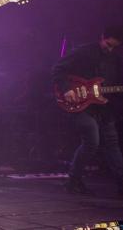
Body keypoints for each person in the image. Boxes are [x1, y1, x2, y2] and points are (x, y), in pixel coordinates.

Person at [52, 26, 123, 196]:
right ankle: (72, 181)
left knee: (112, 144)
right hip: (79, 103)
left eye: (114, 46)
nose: (109, 49)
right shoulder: (84, 52)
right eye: (107, 44)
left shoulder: (116, 59)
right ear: (102, 37)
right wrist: (67, 89)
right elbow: (58, 69)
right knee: (92, 140)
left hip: (103, 107)